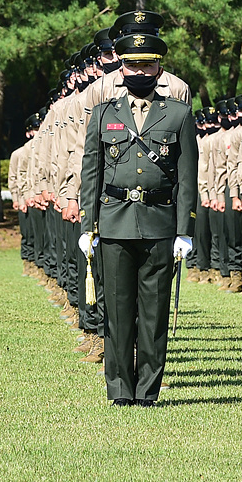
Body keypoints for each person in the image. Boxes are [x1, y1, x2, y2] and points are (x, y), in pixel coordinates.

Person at [79, 33, 198, 407]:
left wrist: (184, 230)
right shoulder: (104, 113)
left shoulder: (177, 114)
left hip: (160, 224)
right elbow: (91, 174)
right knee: (117, 312)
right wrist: (87, 226)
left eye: (147, 64)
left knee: (153, 312)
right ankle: (119, 390)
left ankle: (147, 391)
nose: (140, 71)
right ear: (122, 67)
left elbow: (187, 177)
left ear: (159, 67)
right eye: (133, 64)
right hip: (114, 225)